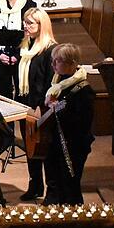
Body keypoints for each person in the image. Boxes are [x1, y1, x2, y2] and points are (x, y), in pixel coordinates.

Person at [43, 43, 95, 206]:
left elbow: (82, 122)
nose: (53, 65)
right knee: (56, 182)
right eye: (53, 61)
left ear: (72, 63)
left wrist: (57, 108)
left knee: (70, 186)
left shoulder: (84, 90)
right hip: (57, 143)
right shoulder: (57, 84)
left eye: (57, 61)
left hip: (73, 146)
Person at [16, 7, 57, 201]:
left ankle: (52, 189)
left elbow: (51, 82)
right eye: (25, 22)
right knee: (30, 147)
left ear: (42, 25)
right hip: (25, 103)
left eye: (31, 23)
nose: (26, 26)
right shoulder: (25, 46)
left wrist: (42, 107)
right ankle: (35, 185)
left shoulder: (49, 49)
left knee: (45, 149)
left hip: (42, 106)